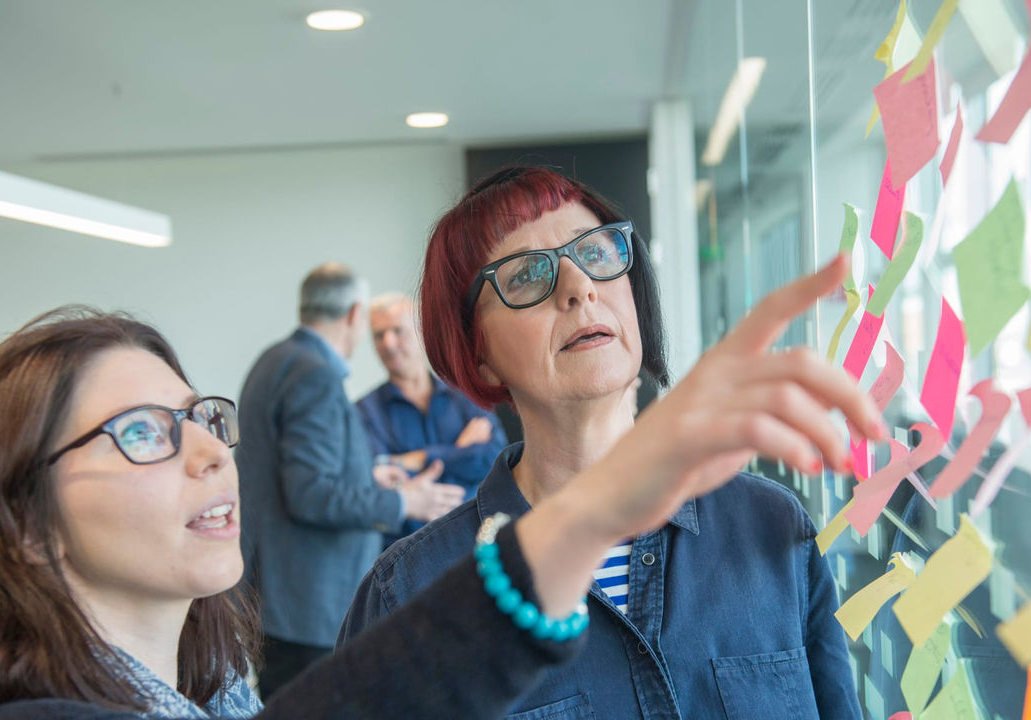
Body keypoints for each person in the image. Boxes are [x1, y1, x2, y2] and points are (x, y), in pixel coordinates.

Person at [0, 249, 881, 719]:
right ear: (21, 521)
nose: (208, 453)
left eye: (203, 420)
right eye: (144, 433)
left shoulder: (217, 699)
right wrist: (590, 511)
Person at [339, 166, 873, 719]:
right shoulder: (410, 592)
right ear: (479, 354)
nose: (579, 288)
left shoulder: (767, 524)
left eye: (596, 253)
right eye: (525, 276)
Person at [234, 263, 465, 697]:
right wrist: (404, 504)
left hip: (283, 599)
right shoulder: (315, 375)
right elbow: (310, 495)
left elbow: (294, 473)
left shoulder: (275, 360)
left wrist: (369, 475)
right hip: (310, 607)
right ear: (356, 314)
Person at [356, 292, 507, 544]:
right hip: (404, 555)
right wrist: (459, 451)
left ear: (420, 332)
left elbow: (494, 457)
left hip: (476, 545)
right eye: (379, 335)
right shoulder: (363, 412)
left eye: (397, 330)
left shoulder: (467, 396)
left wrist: (421, 459)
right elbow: (379, 481)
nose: (388, 343)